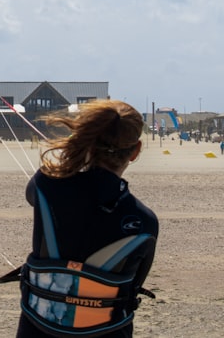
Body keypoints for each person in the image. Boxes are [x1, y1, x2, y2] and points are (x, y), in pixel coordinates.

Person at [16, 100, 158, 338]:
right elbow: (133, 283)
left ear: (86, 140)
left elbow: (33, 195)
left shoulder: (45, 185)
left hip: (37, 328)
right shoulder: (144, 221)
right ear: (135, 151)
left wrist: (72, 160)